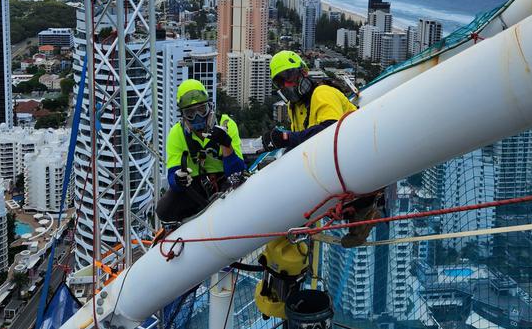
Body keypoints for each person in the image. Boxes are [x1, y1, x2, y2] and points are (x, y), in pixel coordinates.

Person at [261, 50, 382, 247]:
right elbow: (303, 142)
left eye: (290, 76)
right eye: (281, 82)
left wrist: (285, 137)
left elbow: (330, 131)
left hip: (356, 154)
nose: (287, 85)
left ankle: (362, 209)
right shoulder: (296, 107)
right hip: (338, 161)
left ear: (304, 73)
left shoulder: (322, 93)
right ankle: (356, 211)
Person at [156, 79, 246, 227]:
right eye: (190, 113)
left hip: (225, 180)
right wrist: (179, 179)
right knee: (164, 209)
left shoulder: (226, 125)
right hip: (195, 187)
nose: (197, 117)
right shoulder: (177, 134)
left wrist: (226, 145)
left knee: (238, 187)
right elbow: (172, 175)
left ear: (209, 107)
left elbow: (237, 173)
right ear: (183, 115)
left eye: (202, 110)